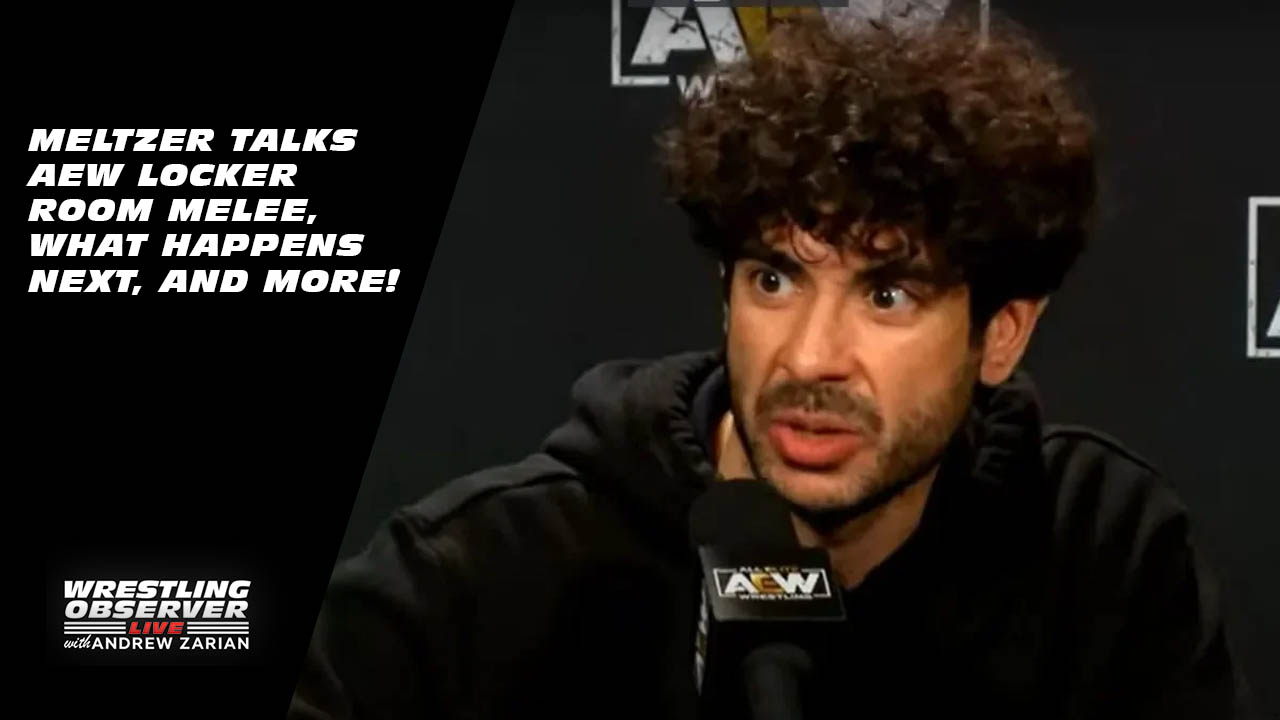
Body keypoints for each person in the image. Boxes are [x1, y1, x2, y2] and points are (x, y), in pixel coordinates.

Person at [289, 16, 1259, 719]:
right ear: (726, 297)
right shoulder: (481, 575)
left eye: (887, 294)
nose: (808, 358)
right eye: (775, 279)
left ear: (1000, 334)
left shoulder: (1102, 556)